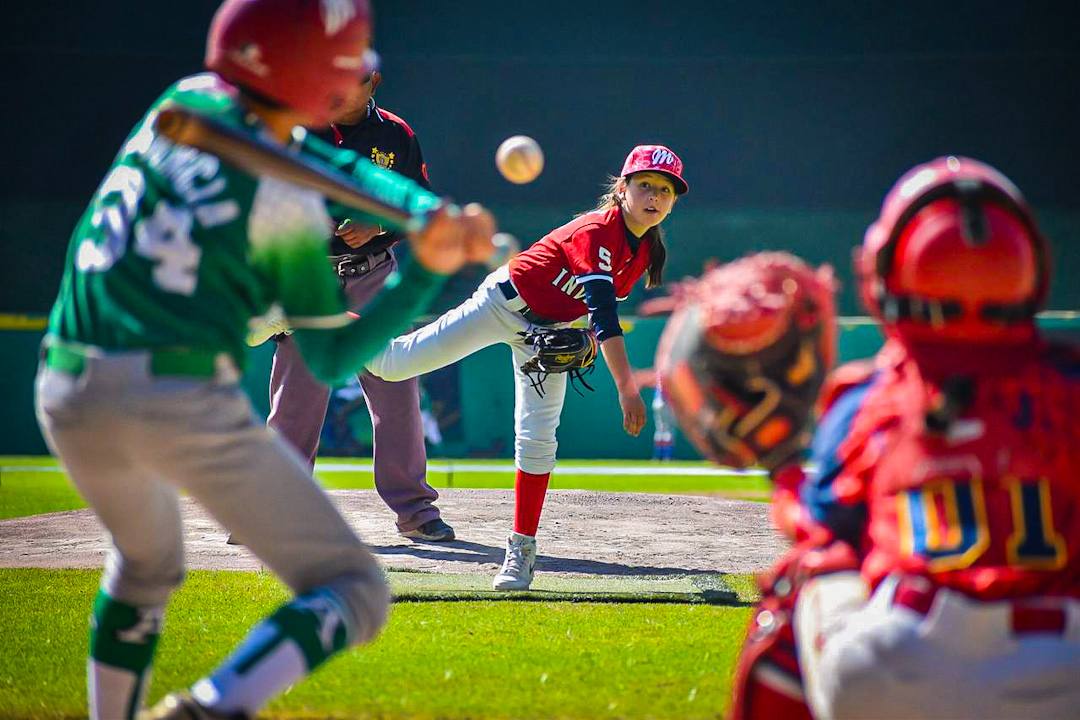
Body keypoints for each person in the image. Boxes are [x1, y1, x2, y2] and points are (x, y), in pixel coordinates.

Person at [33, 1, 493, 718]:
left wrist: (414, 208)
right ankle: (210, 709)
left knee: (146, 565)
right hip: (175, 393)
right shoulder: (285, 204)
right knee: (356, 590)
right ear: (308, 76)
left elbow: (329, 163)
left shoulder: (185, 100)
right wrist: (424, 274)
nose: (351, 79)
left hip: (65, 383)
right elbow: (333, 354)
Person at [660, 158, 1080, 719]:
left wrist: (784, 471)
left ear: (885, 274)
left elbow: (826, 526)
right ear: (1034, 270)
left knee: (808, 575)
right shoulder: (1070, 385)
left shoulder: (868, 401)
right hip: (1066, 667)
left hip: (897, 665)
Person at [366, 145, 689, 590]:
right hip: (500, 305)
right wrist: (626, 387)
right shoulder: (596, 231)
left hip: (548, 332)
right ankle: (312, 316)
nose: (654, 196)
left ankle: (520, 550)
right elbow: (603, 314)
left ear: (672, 203)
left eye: (665, 190)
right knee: (392, 364)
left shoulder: (644, 252)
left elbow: (591, 317)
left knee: (538, 440)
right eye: (645, 184)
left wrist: (586, 341)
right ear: (622, 188)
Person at [261, 67, 454, 542]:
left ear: (375, 82)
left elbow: (423, 208)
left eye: (355, 78)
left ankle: (415, 509)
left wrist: (378, 226)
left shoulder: (396, 134)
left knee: (396, 385)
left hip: (373, 273)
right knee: (295, 397)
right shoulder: (299, 126)